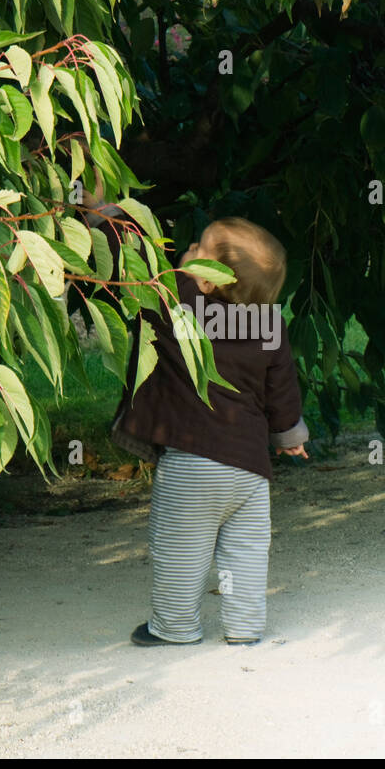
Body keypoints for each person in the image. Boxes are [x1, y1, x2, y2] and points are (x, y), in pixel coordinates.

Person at [82, 190, 308, 646]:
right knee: (246, 553)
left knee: (180, 552)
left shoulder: (178, 301)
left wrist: (100, 214)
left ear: (207, 281)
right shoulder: (268, 324)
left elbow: (133, 263)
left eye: (197, 251)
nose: (187, 251)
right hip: (249, 472)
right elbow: (282, 388)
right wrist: (288, 436)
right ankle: (245, 629)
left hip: (192, 464)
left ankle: (175, 627)